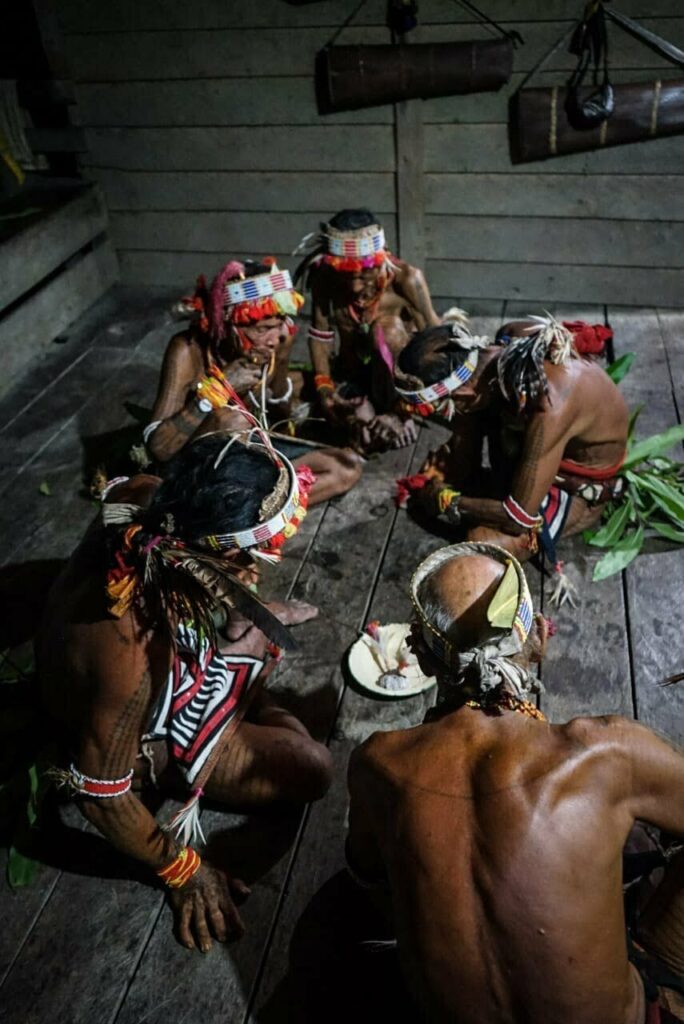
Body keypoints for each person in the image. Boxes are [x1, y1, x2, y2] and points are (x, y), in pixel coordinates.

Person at [347, 542, 684, 1024]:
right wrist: (658, 950)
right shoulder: (607, 757)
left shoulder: (377, 766)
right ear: (540, 639)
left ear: (420, 657)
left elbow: (368, 876)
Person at [36, 432, 333, 953]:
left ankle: (247, 690)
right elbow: (100, 795)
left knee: (258, 629)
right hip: (148, 730)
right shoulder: (126, 650)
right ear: (208, 556)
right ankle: (249, 701)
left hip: (178, 656)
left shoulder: (152, 499)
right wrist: (183, 869)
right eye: (257, 556)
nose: (265, 563)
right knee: (312, 768)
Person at [395, 315, 629, 598]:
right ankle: (481, 476)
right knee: (466, 443)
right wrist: (455, 462)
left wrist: (446, 501)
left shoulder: (548, 404)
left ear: (462, 395)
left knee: (481, 542)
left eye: (443, 409)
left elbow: (518, 517)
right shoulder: (506, 340)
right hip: (533, 453)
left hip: (573, 488)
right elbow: (472, 417)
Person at [144, 257, 361, 505]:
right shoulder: (188, 349)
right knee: (231, 419)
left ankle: (255, 509)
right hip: (197, 471)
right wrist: (218, 389)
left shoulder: (279, 339)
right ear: (227, 325)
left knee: (347, 468)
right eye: (261, 329)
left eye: (279, 325)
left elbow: (280, 415)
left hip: (249, 454)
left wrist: (276, 373)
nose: (274, 338)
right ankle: (237, 508)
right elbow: (158, 449)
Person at [294, 208, 441, 451]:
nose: (354, 285)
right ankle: (369, 410)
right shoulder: (325, 278)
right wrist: (325, 389)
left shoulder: (407, 280)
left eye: (364, 272)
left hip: (398, 385)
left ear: (379, 258)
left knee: (388, 330)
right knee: (362, 436)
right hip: (354, 377)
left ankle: (398, 413)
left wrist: (407, 407)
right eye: (346, 274)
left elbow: (436, 341)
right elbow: (320, 335)